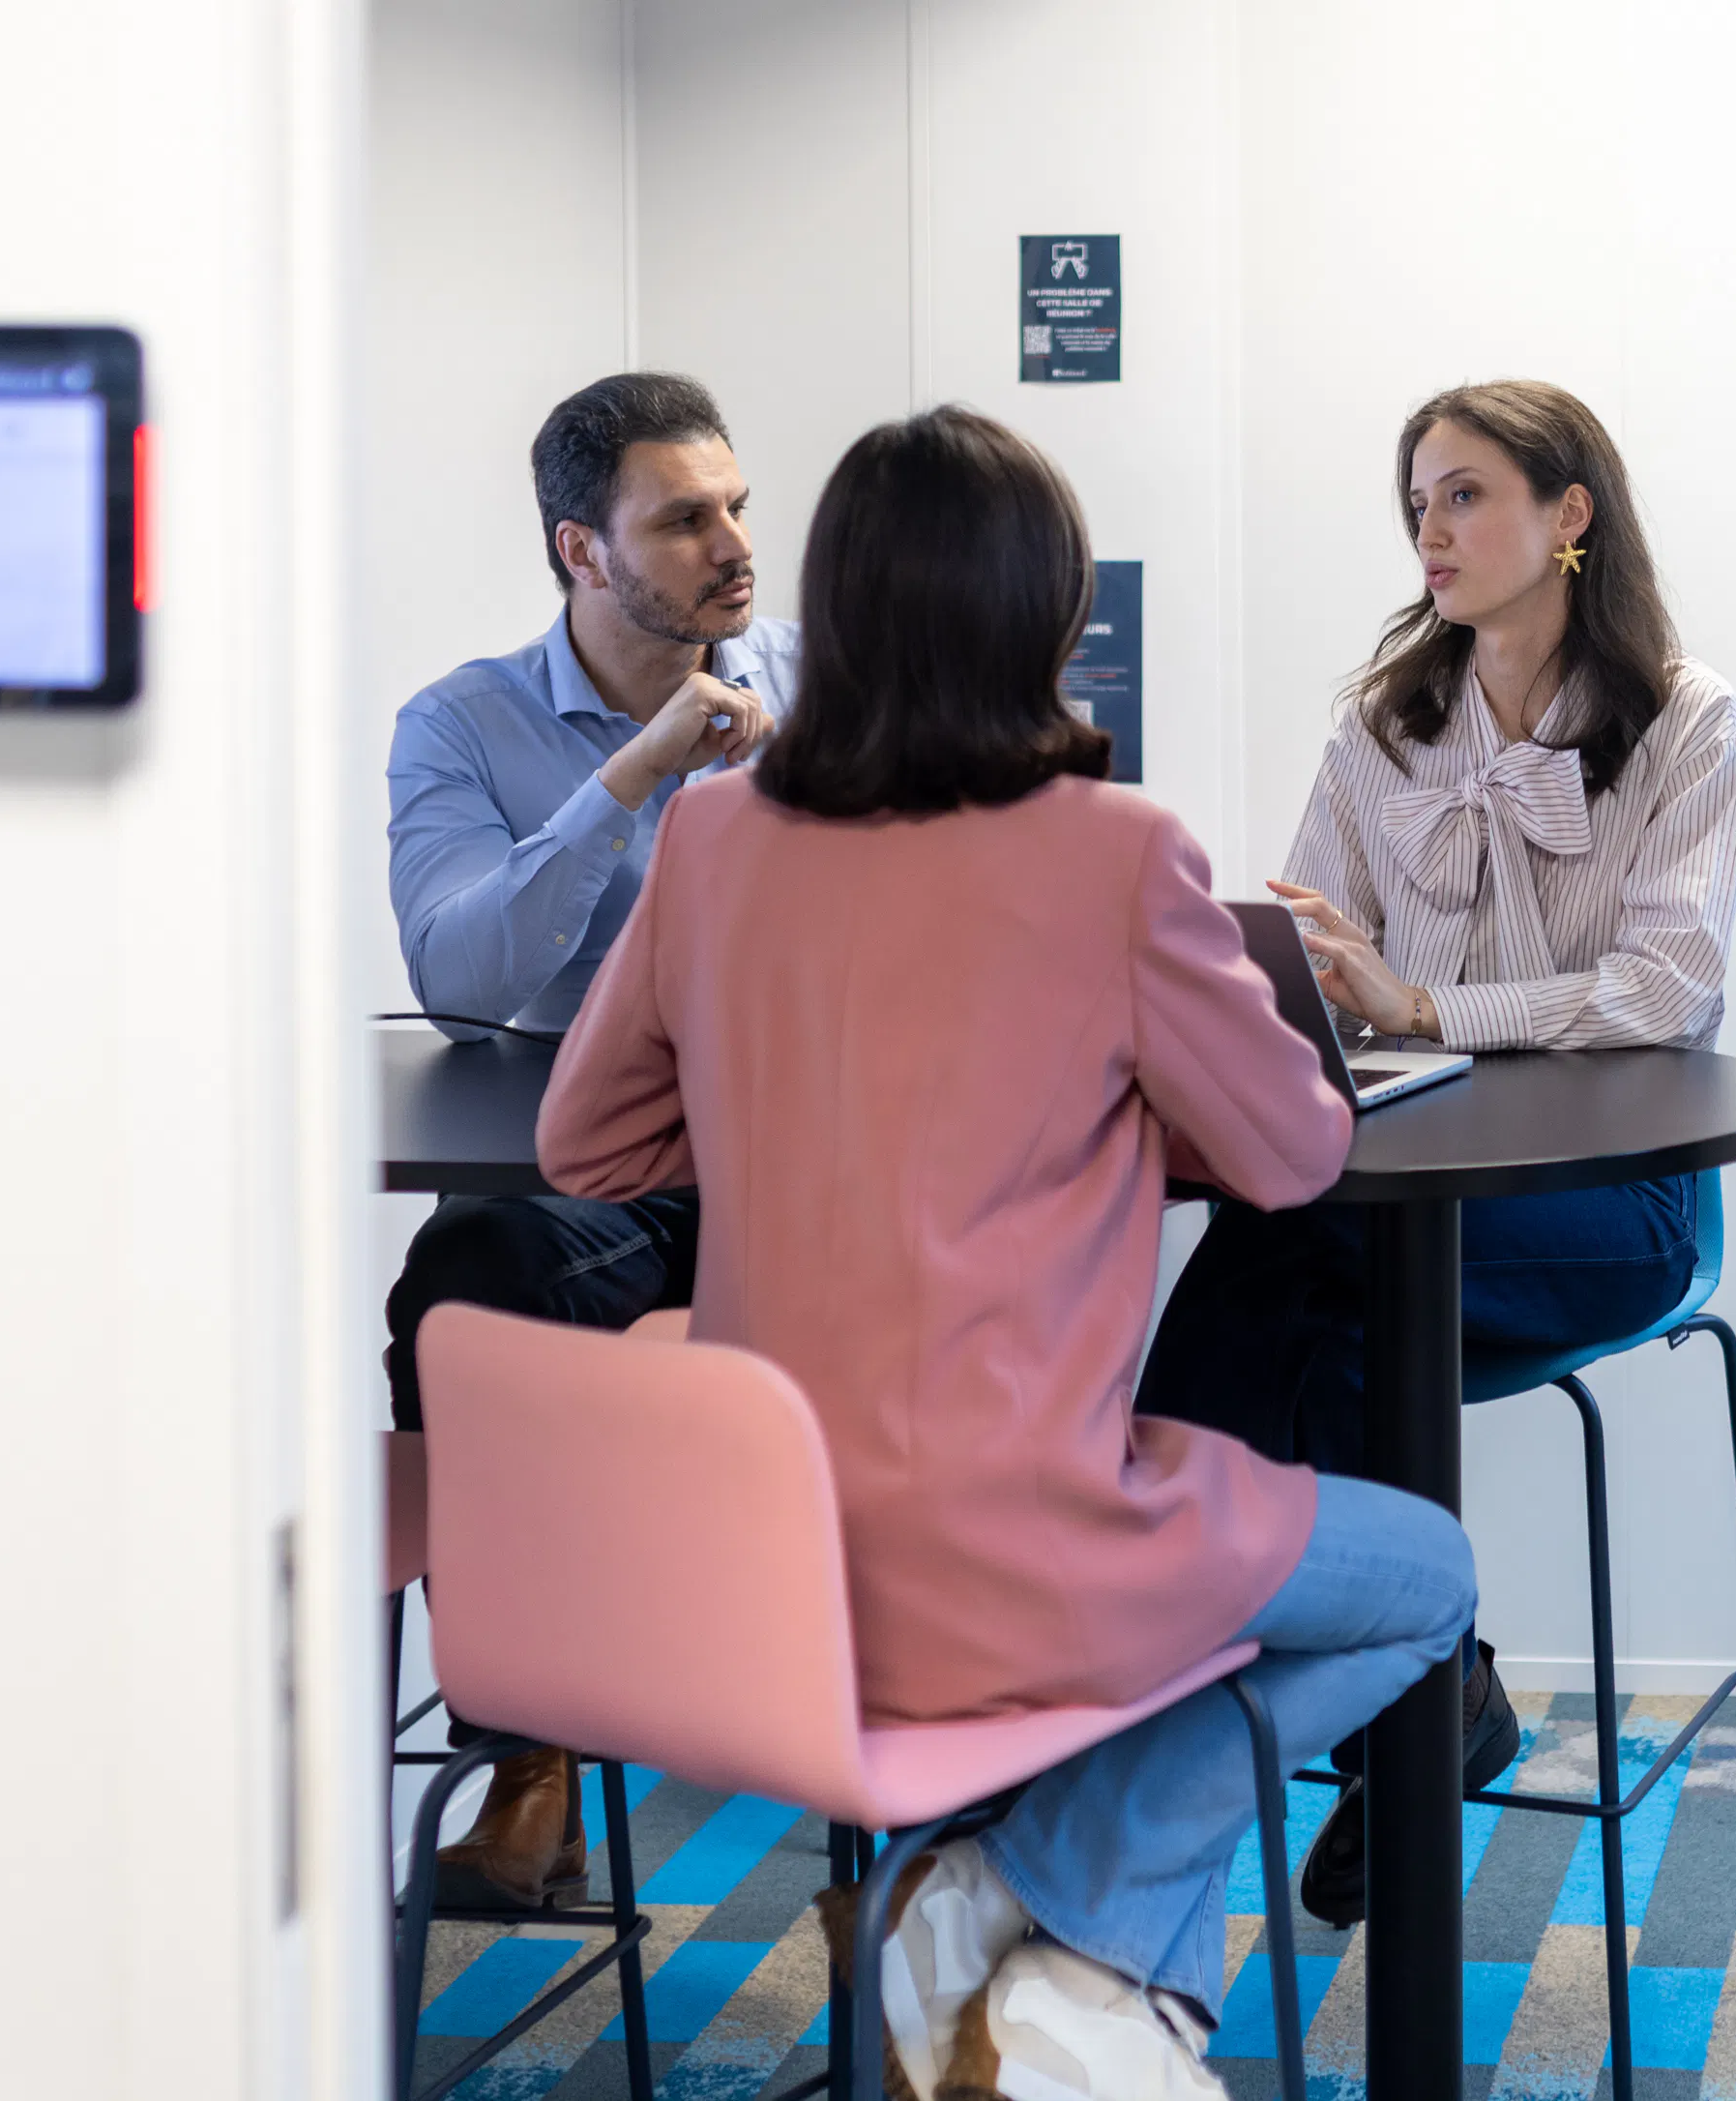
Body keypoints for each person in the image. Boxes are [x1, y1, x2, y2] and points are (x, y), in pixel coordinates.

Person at [537, 404, 1475, 2092]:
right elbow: (1295, 1151)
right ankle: (1036, 1906)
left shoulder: (712, 839)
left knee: (1236, 1566)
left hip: (777, 1574)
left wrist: (788, 1120)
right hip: (1028, 1557)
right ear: (1045, 615)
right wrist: (1128, 1115)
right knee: (1427, 1584)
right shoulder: (1115, 855)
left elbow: (583, 1144)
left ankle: (1044, 1974)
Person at [1136, 378, 1736, 1927]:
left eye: (1466, 493)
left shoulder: (1692, 723)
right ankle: (1428, 1700)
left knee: (1277, 1283)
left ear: (1569, 516)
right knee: (1306, 1306)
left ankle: (1219, 1671)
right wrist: (1299, 971)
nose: (1431, 528)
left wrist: (1429, 1002)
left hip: (1612, 1209)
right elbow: (1303, 944)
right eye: (1417, 499)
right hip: (1389, 1199)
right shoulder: (1381, 725)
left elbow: (1668, 988)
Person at [380, 370, 799, 1908]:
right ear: (581, 549)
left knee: (492, 1288)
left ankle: (629, 1694)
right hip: (594, 1178)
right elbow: (456, 969)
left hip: (793, 1176)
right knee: (468, 1284)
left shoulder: (821, 685)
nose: (731, 544)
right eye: (684, 520)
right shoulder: (464, 727)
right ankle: (533, 1754)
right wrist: (632, 781)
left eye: (737, 506)